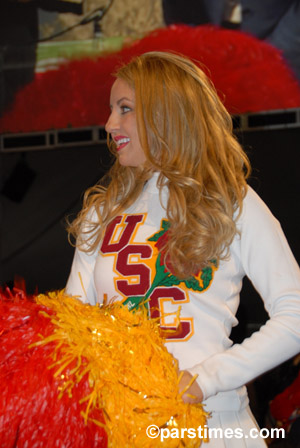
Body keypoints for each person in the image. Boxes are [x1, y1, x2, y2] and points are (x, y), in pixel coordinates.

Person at [66, 51, 300, 447]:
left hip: (213, 427)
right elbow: (75, 330)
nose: (109, 124)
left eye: (125, 109)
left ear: (166, 113)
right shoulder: (100, 214)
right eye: (110, 110)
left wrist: (206, 380)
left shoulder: (231, 201)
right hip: (122, 430)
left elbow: (295, 314)